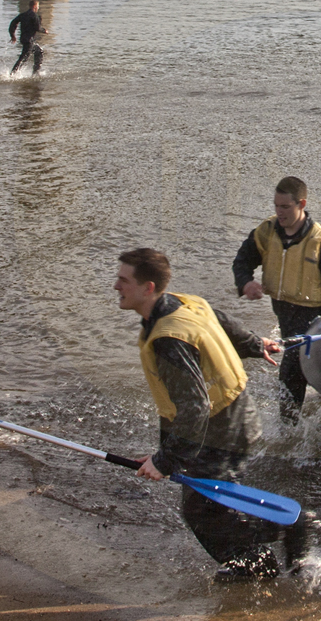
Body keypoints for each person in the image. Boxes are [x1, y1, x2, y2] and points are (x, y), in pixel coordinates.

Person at [114, 247, 308, 581]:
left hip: (222, 428)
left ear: (148, 288)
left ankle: (271, 545)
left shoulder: (167, 339)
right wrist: (254, 344)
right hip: (232, 416)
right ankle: (255, 556)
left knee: (200, 507)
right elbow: (218, 319)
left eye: (123, 280)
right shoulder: (182, 302)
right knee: (208, 503)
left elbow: (195, 407)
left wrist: (164, 461)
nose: (116, 286)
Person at [231, 176, 321, 422]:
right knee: (298, 364)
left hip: (312, 314)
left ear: (301, 204)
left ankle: (288, 428)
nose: (279, 212)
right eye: (276, 206)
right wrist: (245, 283)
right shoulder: (266, 231)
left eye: (285, 207)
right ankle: (308, 411)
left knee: (291, 367)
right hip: (283, 308)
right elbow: (242, 261)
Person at [8, 0, 47, 75]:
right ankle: (12, 74)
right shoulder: (34, 15)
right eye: (38, 6)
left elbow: (13, 23)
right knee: (23, 58)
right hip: (29, 40)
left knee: (39, 51)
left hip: (24, 39)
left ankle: (36, 72)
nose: (38, 8)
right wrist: (44, 30)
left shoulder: (23, 15)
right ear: (34, 6)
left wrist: (12, 35)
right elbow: (37, 27)